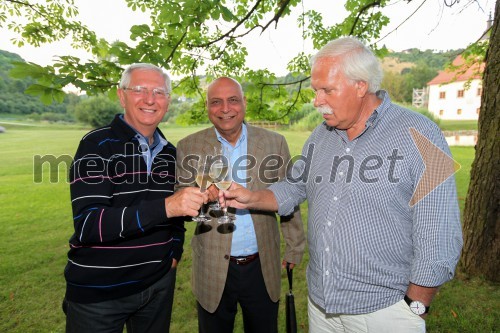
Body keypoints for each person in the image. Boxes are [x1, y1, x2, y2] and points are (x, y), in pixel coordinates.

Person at [223, 37, 463, 332]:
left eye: (327, 90)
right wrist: (251, 197)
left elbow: (439, 231)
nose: (316, 100)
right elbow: (294, 186)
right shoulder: (321, 135)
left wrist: (415, 308)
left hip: (385, 311)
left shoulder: (421, 133)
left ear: (361, 86)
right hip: (322, 308)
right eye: (315, 90)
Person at [64, 63, 208, 333]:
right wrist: (167, 206)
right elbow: (88, 225)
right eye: (139, 89)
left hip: (157, 287)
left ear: (168, 100)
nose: (150, 99)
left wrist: (173, 254)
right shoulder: (96, 145)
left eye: (159, 92)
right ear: (121, 95)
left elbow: (175, 219)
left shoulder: (170, 153)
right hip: (100, 294)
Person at [176, 77, 306, 333]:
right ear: (207, 107)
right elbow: (180, 198)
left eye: (233, 100)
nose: (225, 108)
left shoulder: (274, 143)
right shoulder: (188, 146)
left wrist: (294, 247)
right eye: (216, 102)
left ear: (244, 103)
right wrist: (199, 195)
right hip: (211, 268)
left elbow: (288, 197)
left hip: (262, 265)